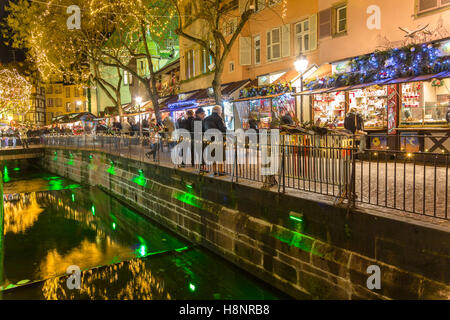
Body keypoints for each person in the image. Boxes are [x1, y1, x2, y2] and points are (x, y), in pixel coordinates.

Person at [203, 105, 227, 176]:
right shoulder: (219, 118)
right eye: (221, 110)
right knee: (220, 156)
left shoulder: (206, 119)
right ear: (218, 111)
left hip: (209, 140)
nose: (221, 112)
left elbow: (203, 129)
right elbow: (222, 129)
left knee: (213, 155)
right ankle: (221, 171)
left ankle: (214, 171)